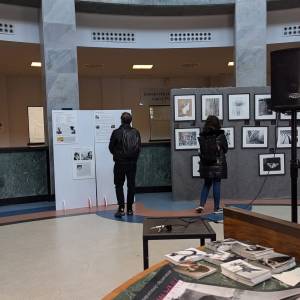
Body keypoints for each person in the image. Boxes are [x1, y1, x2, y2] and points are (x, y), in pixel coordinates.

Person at [109, 112, 141, 217]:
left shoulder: (116, 132)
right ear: (130, 121)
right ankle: (130, 209)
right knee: (131, 186)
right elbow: (139, 148)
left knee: (119, 185)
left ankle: (121, 208)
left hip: (119, 163)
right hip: (132, 163)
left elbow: (110, 148)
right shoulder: (136, 132)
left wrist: (118, 154)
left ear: (121, 120)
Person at [196, 115, 228, 214]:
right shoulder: (221, 135)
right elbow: (226, 149)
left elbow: (202, 151)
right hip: (218, 164)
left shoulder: (202, 136)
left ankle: (201, 205)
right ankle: (216, 208)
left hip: (206, 163)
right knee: (216, 184)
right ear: (217, 124)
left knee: (206, 184)